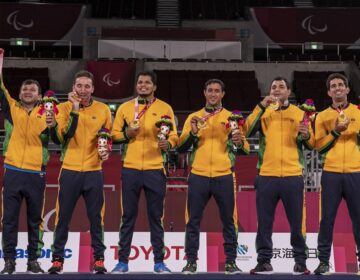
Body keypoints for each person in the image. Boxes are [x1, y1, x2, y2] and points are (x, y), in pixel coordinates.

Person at [178, 78, 250, 275]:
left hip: (224, 174)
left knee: (228, 221)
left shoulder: (232, 118)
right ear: (204, 93)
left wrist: (237, 141)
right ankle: (191, 262)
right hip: (198, 175)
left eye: (217, 91)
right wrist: (193, 133)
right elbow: (180, 147)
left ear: (223, 94)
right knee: (193, 220)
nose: (213, 94)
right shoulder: (194, 117)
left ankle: (231, 262)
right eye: (210, 90)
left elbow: (245, 149)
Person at [244, 77, 314, 275]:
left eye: (281, 87)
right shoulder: (264, 112)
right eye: (273, 87)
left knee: (297, 222)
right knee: (264, 223)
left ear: (289, 92)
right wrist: (260, 106)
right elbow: (247, 130)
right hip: (266, 175)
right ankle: (264, 261)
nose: (277, 90)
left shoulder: (300, 113)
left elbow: (310, 144)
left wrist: (307, 135)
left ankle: (300, 261)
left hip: (293, 175)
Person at [111, 70, 178, 274]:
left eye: (147, 83)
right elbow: (113, 135)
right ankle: (122, 262)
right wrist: (126, 134)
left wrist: (169, 143)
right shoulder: (125, 107)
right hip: (130, 168)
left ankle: (159, 262)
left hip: (155, 169)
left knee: (155, 217)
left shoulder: (165, 108)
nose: (143, 86)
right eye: (140, 82)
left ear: (154, 87)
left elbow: (174, 135)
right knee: (128, 216)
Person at [47, 70, 112, 274]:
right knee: (63, 217)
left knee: (95, 218)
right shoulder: (63, 108)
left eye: (86, 86)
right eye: (79, 86)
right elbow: (65, 135)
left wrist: (106, 150)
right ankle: (57, 260)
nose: (82, 90)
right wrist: (75, 109)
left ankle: (99, 260)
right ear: (73, 88)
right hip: (70, 170)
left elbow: (107, 136)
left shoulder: (103, 110)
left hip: (94, 171)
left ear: (93, 88)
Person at [0, 48, 48, 274]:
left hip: (35, 172)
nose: (28, 91)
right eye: (25, 89)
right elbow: (0, 89)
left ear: (39, 95)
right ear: (19, 94)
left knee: (34, 220)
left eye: (33, 89)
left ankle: (33, 261)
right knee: (9, 219)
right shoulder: (11, 109)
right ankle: (9, 261)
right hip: (12, 171)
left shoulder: (49, 114)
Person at [313, 73, 360, 275]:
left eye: (341, 85)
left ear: (348, 89)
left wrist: (348, 130)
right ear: (329, 92)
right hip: (331, 173)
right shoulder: (322, 116)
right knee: (327, 219)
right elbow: (318, 147)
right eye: (333, 86)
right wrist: (336, 131)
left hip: (355, 171)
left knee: (359, 219)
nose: (338, 88)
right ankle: (323, 262)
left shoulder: (359, 111)